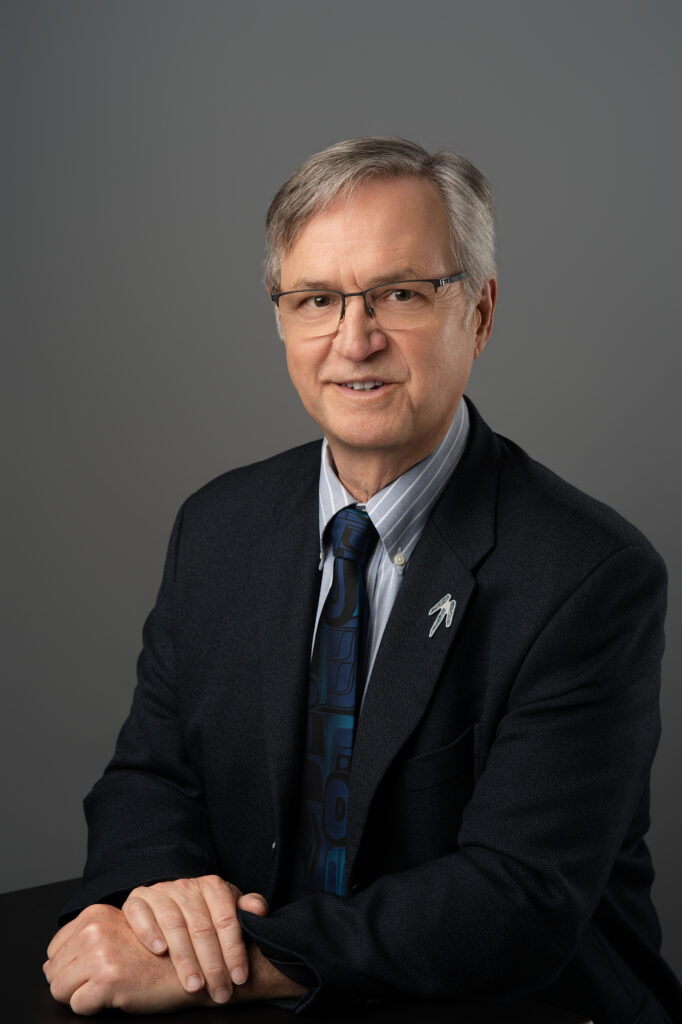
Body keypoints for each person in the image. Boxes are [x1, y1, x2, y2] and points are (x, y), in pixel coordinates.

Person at [43, 137, 682, 1023]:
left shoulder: (590, 577)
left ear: (482, 313)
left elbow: (516, 899)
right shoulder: (218, 527)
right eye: (316, 300)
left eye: (401, 294)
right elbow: (150, 778)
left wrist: (250, 960)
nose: (356, 339)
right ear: (282, 320)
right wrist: (164, 906)